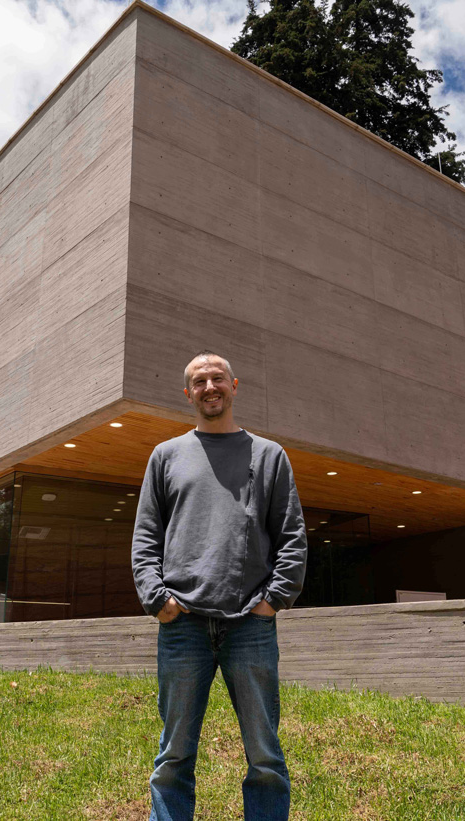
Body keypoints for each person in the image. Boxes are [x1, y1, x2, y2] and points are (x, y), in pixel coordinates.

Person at [132, 351, 308, 821]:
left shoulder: (269, 455)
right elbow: (146, 536)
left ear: (235, 384)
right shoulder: (165, 456)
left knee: (265, 757)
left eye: (217, 378)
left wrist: (273, 601)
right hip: (182, 623)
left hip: (250, 623)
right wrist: (158, 600)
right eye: (199, 381)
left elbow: (291, 534)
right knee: (172, 759)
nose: (210, 387)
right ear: (187, 394)